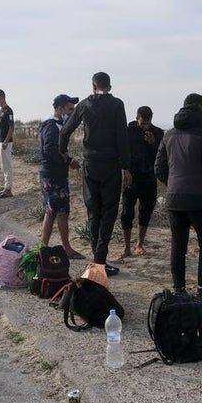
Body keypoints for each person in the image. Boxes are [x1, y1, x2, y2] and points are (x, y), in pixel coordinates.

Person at [59, 71, 131, 276]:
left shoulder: (84, 105)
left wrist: (64, 153)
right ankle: (100, 260)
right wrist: (126, 167)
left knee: (93, 210)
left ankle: (98, 260)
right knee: (108, 211)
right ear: (110, 86)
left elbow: (65, 131)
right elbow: (122, 137)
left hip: (90, 164)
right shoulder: (117, 104)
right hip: (111, 165)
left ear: (93, 86)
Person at [155, 93, 202, 301]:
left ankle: (179, 289)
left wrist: (172, 184)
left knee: (178, 244)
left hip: (175, 198)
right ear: (200, 108)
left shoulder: (169, 134)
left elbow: (159, 167)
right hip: (199, 198)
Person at [37, 95, 86, 258]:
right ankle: (62, 248)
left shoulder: (56, 124)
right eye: (70, 109)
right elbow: (50, 151)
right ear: (60, 109)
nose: (72, 112)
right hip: (53, 175)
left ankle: (46, 248)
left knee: (54, 211)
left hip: (55, 174)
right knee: (59, 212)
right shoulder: (51, 126)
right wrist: (68, 160)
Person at [118, 105, 165, 259]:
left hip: (149, 178)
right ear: (137, 119)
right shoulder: (128, 131)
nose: (145, 126)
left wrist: (153, 143)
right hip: (131, 177)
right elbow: (122, 152)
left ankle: (139, 244)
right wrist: (125, 170)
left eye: (147, 123)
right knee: (127, 212)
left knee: (146, 211)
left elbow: (162, 156)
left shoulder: (158, 133)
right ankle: (126, 248)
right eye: (142, 123)